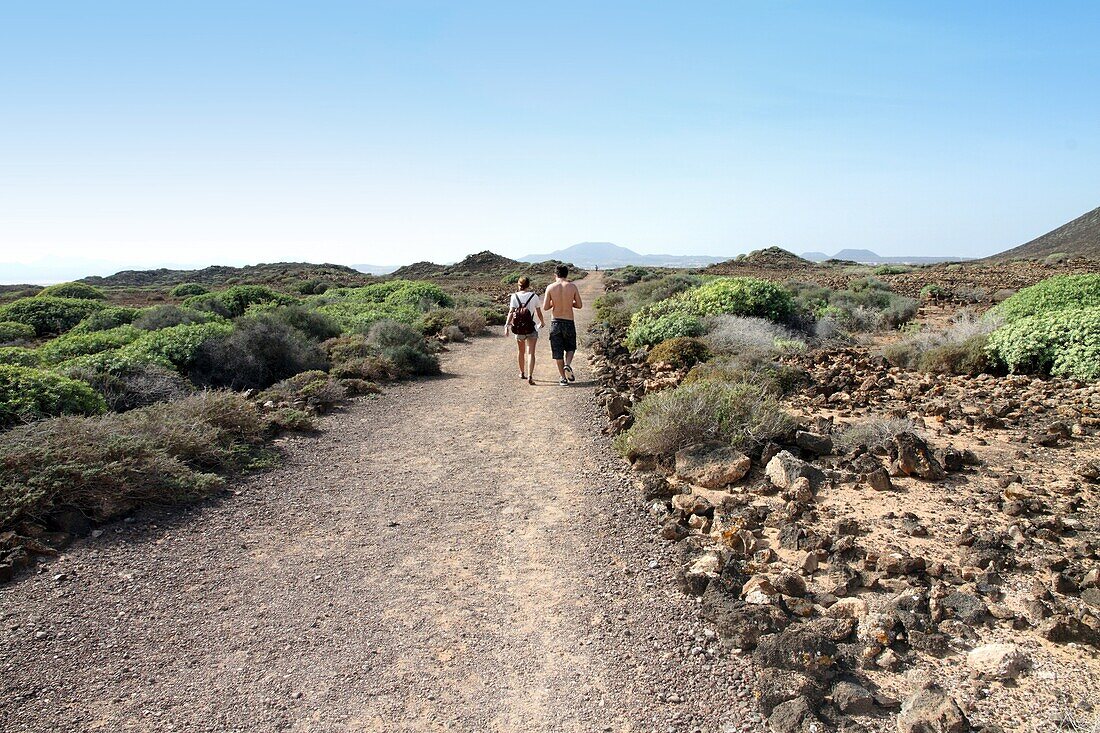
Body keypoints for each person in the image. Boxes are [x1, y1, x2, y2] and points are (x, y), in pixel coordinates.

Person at [543, 264, 582, 386]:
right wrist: (570, 303)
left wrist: (554, 302)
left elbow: (545, 307)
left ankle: (563, 378)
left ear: (555, 275)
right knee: (571, 347)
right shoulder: (572, 286)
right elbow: (579, 305)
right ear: (567, 274)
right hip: (568, 321)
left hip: (555, 322)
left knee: (557, 351)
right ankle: (568, 364)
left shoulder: (550, 287)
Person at [505, 276, 544, 385]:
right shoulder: (534, 296)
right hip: (531, 328)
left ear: (519, 285)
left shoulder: (514, 296)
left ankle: (522, 373)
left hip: (519, 329)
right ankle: (530, 376)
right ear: (528, 285)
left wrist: (506, 325)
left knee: (521, 351)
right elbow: (539, 312)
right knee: (531, 353)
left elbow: (511, 312)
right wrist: (542, 322)